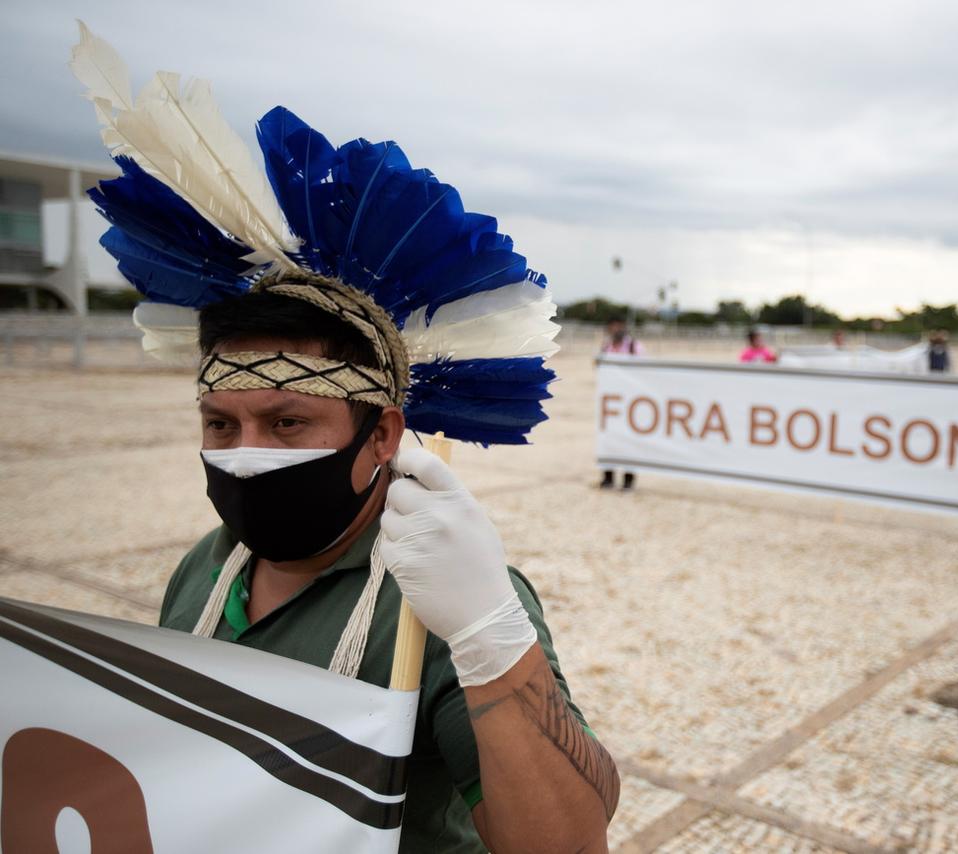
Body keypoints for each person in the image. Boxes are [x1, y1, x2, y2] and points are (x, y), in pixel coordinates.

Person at [73, 33, 617, 851]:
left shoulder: (437, 600)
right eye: (221, 424)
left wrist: (492, 634)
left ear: (382, 436)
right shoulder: (204, 566)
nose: (245, 452)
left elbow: (571, 839)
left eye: (288, 422)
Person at [599, 317, 641, 490]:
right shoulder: (606, 346)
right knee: (608, 439)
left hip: (630, 401)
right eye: (612, 326)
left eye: (618, 326)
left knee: (631, 440)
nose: (615, 329)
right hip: (609, 401)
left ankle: (628, 479)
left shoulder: (635, 347)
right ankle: (608, 477)